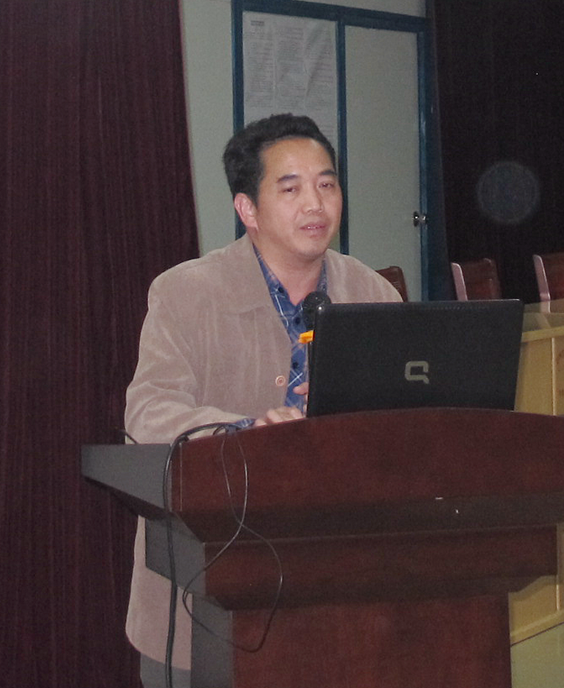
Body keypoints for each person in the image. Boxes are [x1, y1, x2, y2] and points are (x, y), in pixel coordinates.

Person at [123, 113, 402, 687]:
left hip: (334, 595)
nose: (316, 204)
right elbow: (148, 413)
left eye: (327, 184)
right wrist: (246, 430)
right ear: (247, 209)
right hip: (208, 596)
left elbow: (403, 423)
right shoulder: (185, 293)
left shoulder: (373, 294)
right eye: (291, 188)